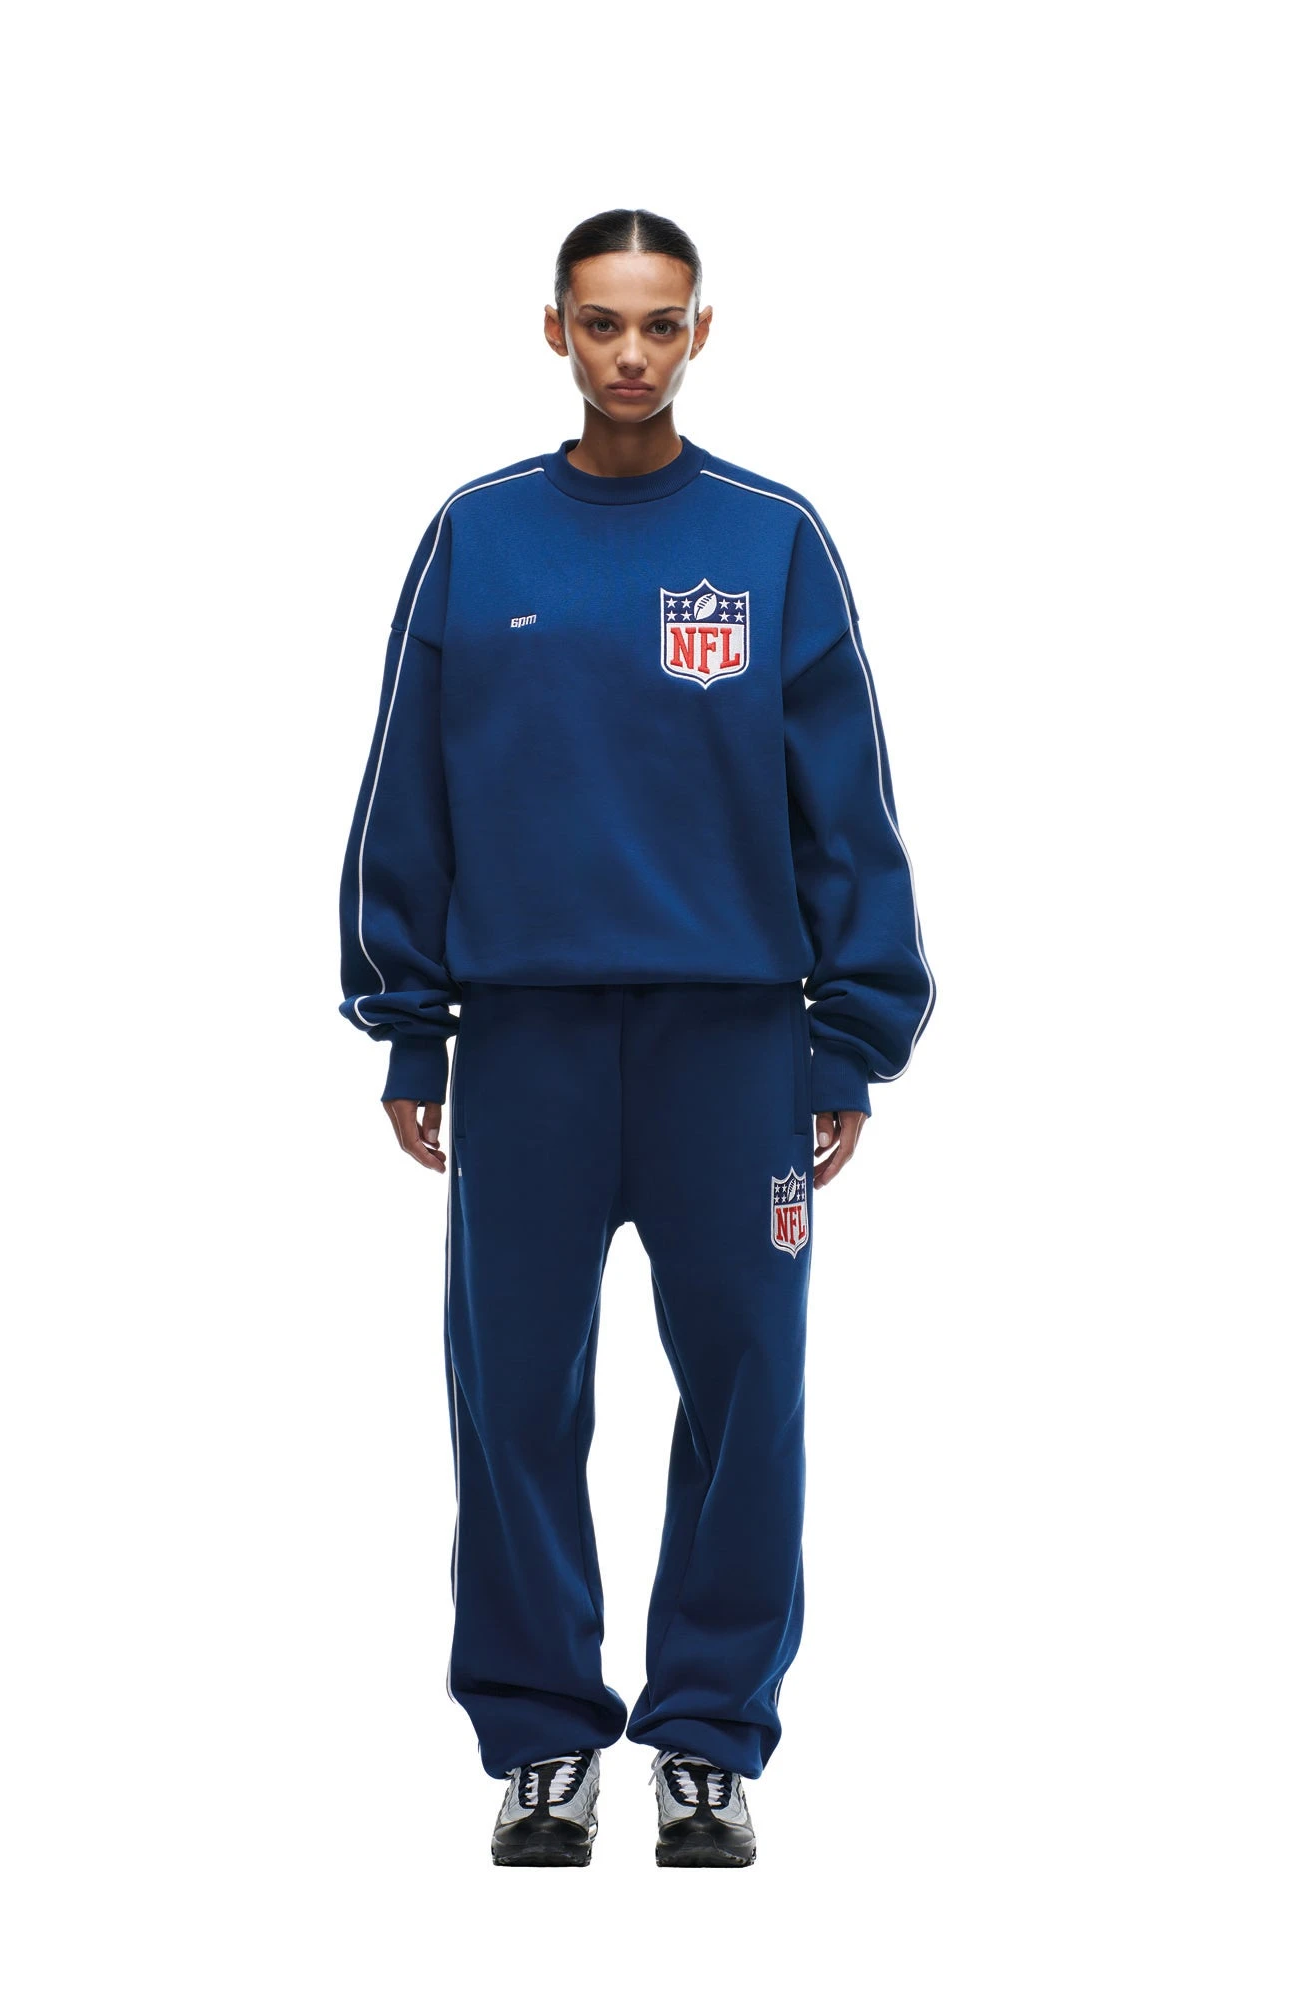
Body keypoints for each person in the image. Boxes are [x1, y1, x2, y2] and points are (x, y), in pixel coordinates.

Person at [338, 207, 935, 1868]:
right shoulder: (477, 538)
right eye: (601, 323)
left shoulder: (771, 540)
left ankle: (705, 1739)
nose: (629, 353)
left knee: (748, 1391)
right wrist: (411, 1028)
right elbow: (407, 790)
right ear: (555, 331)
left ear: (700, 333)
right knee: (513, 1398)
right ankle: (544, 1739)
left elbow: (847, 812)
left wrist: (847, 1037)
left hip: (731, 1046)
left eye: (659, 324)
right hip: (525, 1040)